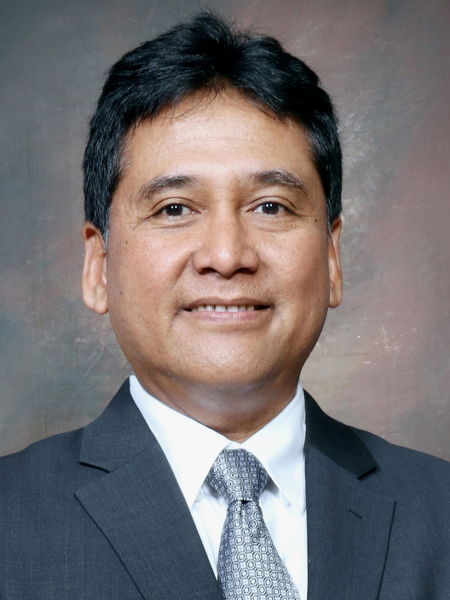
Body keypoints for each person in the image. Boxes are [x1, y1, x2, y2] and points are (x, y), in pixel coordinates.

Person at [1, 12, 450, 600]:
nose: (227, 255)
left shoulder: (438, 512)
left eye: (271, 207)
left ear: (332, 257)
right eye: (174, 209)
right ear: (98, 266)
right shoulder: (11, 521)